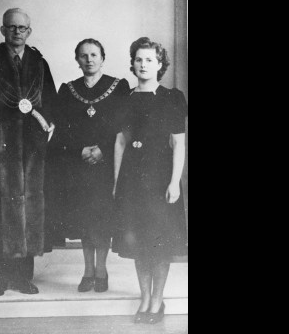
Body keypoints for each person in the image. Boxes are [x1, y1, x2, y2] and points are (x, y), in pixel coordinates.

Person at [0, 8, 57, 297]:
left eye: (22, 28)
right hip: (0, 145)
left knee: (28, 208)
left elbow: (50, 102)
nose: (17, 32)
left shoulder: (38, 61)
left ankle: (22, 277)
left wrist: (47, 129)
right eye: (11, 27)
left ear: (29, 31)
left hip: (31, 148)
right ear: (3, 30)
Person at [112, 37, 188, 324]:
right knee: (139, 242)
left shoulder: (172, 97)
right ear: (133, 63)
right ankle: (145, 298)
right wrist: (116, 182)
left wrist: (173, 182)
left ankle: (158, 301)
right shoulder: (126, 98)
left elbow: (178, 143)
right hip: (132, 178)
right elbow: (121, 141)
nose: (143, 65)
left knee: (159, 242)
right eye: (139, 59)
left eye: (149, 60)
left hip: (159, 177)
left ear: (160, 65)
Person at [48, 38, 130, 293]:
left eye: (94, 54)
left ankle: (101, 270)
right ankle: (87, 271)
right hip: (79, 165)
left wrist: (103, 150)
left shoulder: (118, 87)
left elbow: (122, 126)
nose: (89, 59)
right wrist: (79, 150)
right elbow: (61, 131)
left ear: (103, 58)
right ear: (77, 60)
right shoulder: (68, 89)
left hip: (107, 166)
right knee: (84, 218)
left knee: (102, 218)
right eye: (83, 55)